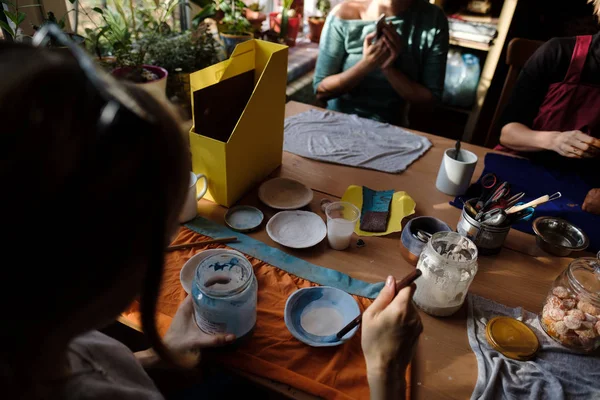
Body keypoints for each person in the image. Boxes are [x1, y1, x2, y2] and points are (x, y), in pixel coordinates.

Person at [0, 29, 422, 400]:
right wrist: (384, 371)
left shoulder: (34, 340)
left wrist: (156, 353)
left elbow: (88, 364)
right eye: (160, 234)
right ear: (99, 269)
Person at [499, 0, 600, 214]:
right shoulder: (559, 53)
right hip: (522, 170)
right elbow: (508, 134)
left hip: (586, 194)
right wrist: (555, 140)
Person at [313, 0, 449, 126]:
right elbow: (321, 90)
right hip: (338, 123)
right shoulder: (343, 14)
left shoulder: (433, 19)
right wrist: (366, 65)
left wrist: (389, 70)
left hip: (393, 129)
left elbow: (430, 101)